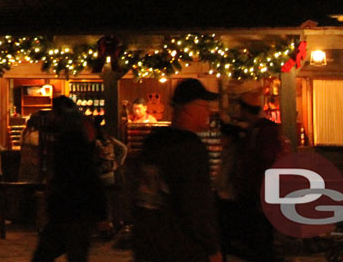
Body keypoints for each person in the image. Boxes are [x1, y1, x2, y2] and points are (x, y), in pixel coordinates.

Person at [131, 78, 221, 262]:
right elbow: (195, 202)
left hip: (149, 242)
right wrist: (210, 246)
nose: (209, 112)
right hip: (181, 246)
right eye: (204, 106)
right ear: (188, 108)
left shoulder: (153, 142)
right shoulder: (190, 148)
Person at [32, 96, 105, 262]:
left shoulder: (68, 142)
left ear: (59, 115)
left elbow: (86, 175)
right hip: (76, 211)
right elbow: (91, 176)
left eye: (53, 112)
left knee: (47, 255)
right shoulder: (78, 137)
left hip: (69, 210)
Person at [227, 89, 288, 261]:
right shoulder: (257, 130)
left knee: (261, 239)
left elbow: (263, 161)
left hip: (259, 193)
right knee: (259, 239)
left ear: (245, 110)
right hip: (259, 192)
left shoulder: (262, 131)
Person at [94, 122, 128, 236]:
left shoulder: (94, 142)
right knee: (111, 200)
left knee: (102, 201)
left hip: (99, 175)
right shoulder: (110, 139)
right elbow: (123, 148)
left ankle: (105, 227)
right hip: (110, 174)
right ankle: (114, 224)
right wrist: (117, 163)